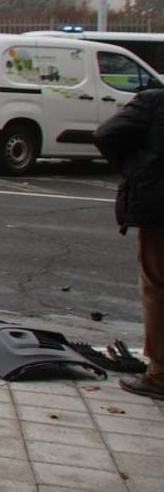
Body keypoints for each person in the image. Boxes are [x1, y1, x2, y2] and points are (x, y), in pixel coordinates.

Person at [95, 86, 164, 399]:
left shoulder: (155, 102)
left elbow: (107, 135)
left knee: (157, 287)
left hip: (159, 210)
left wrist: (135, 169)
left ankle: (160, 374)